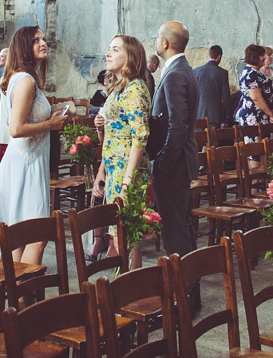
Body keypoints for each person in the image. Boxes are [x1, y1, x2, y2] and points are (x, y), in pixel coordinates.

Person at [0, 26, 69, 265]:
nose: (43, 42)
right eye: (36, 40)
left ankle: (15, 293)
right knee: (37, 236)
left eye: (44, 38)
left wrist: (53, 117)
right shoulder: (25, 80)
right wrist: (50, 124)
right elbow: (16, 129)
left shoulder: (24, 78)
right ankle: (20, 293)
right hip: (24, 162)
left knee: (20, 233)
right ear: (24, 46)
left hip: (29, 160)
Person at [150, 20, 200, 309]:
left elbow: (177, 125)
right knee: (181, 226)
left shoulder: (174, 75)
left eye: (158, 37)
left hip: (174, 163)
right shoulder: (183, 70)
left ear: (166, 43)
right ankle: (190, 295)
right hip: (180, 160)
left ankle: (184, 299)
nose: (156, 41)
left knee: (175, 230)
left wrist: (163, 161)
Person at [90, 35, 151, 258]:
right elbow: (111, 139)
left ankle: (128, 288)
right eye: (109, 49)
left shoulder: (135, 89)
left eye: (115, 50)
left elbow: (140, 138)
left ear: (130, 57)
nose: (108, 53)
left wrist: (127, 181)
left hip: (128, 169)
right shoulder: (118, 89)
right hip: (114, 167)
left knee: (126, 235)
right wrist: (102, 171)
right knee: (118, 232)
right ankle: (124, 287)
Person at [235, 44, 273, 129]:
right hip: (254, 117)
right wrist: (270, 114)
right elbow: (256, 97)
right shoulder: (252, 74)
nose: (264, 58)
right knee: (257, 142)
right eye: (262, 55)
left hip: (259, 115)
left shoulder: (252, 71)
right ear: (256, 57)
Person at [194, 45, 230, 129]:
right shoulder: (222, 73)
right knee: (213, 141)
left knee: (200, 140)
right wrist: (228, 115)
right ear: (219, 56)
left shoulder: (196, 71)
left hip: (198, 115)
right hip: (215, 116)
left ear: (209, 55)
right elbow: (226, 97)